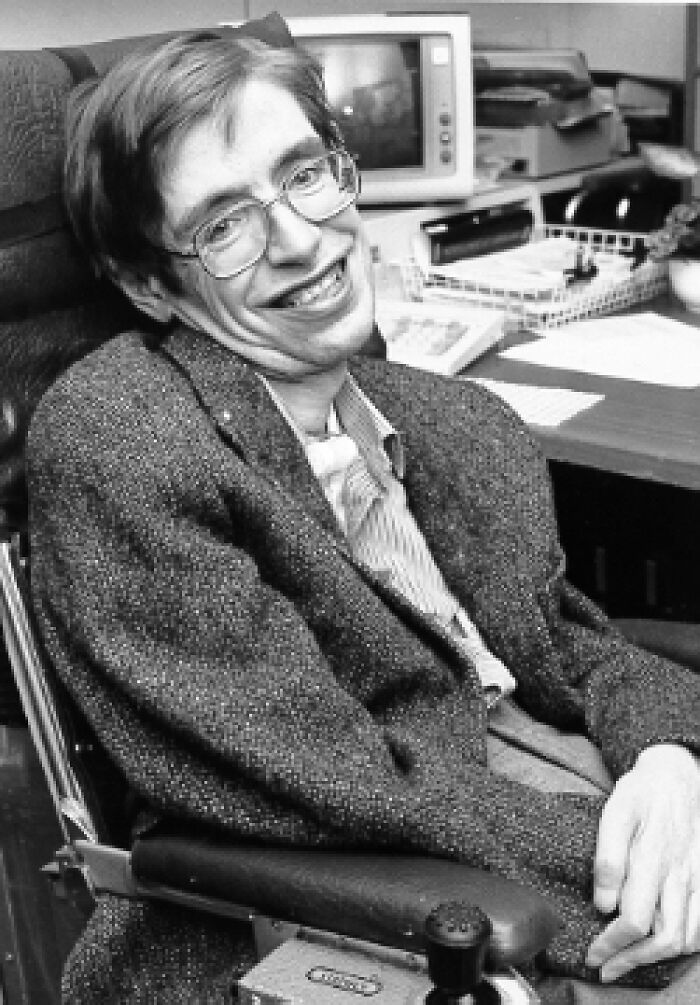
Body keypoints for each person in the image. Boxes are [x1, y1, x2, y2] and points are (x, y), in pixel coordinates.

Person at [25, 13, 699, 1004]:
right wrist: (634, 861)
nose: (301, 241)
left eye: (304, 174)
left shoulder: (452, 419)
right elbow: (321, 779)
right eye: (223, 223)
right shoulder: (122, 437)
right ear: (145, 282)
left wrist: (671, 763)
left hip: (549, 803)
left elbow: (564, 649)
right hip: (380, 892)